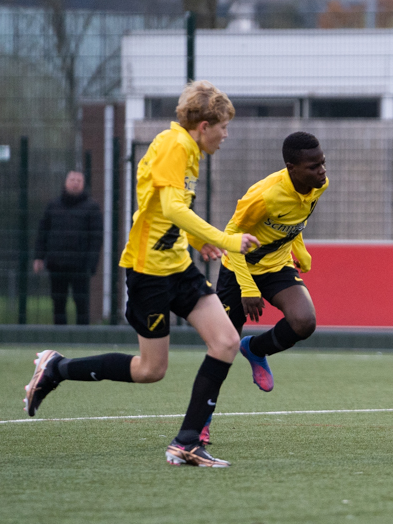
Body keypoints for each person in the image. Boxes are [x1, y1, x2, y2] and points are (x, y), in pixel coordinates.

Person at [23, 80, 258, 468]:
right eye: (224, 127)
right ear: (204, 126)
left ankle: (187, 442)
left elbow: (166, 209)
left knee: (226, 341)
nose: (226, 134)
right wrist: (224, 239)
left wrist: (196, 241)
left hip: (177, 266)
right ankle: (57, 368)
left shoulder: (189, 149)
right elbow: (171, 208)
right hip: (149, 271)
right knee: (151, 370)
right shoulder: (175, 145)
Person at [204, 131, 329, 445]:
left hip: (276, 265)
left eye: (322, 163)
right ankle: (200, 423)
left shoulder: (319, 185)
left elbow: (293, 221)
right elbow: (231, 236)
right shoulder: (264, 196)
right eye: (313, 166)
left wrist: (300, 251)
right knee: (223, 347)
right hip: (239, 268)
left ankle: (256, 349)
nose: (322, 171)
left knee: (304, 321)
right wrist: (247, 288)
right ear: (291, 168)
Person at [33, 171, 103, 325]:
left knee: (82, 303)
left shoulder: (92, 207)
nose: (75, 183)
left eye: (79, 180)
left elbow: (96, 238)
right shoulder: (53, 205)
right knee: (58, 303)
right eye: (72, 179)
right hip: (56, 264)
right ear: (65, 182)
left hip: (80, 266)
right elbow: (43, 232)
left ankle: (83, 335)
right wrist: (39, 256)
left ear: (83, 184)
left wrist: (91, 264)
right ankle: (60, 334)